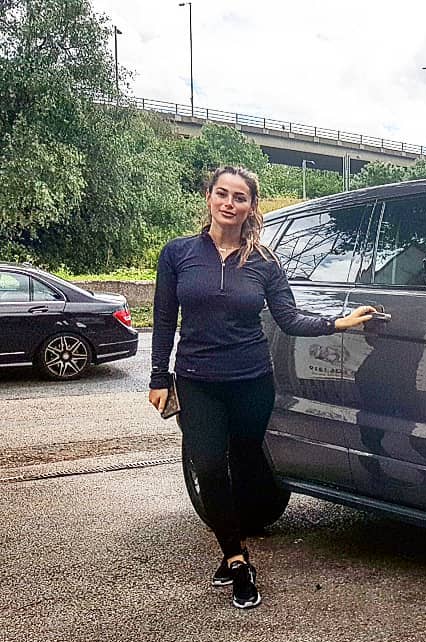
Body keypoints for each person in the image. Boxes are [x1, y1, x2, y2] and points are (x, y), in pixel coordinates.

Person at [148, 165, 376, 610]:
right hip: (198, 381)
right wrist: (159, 377)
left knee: (244, 464)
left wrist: (337, 323)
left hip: (252, 381)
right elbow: (162, 320)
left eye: (240, 197)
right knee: (209, 466)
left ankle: (229, 542)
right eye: (222, 193)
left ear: (251, 206)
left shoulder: (264, 263)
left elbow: (288, 318)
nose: (229, 203)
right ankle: (237, 559)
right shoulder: (178, 254)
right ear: (209, 197)